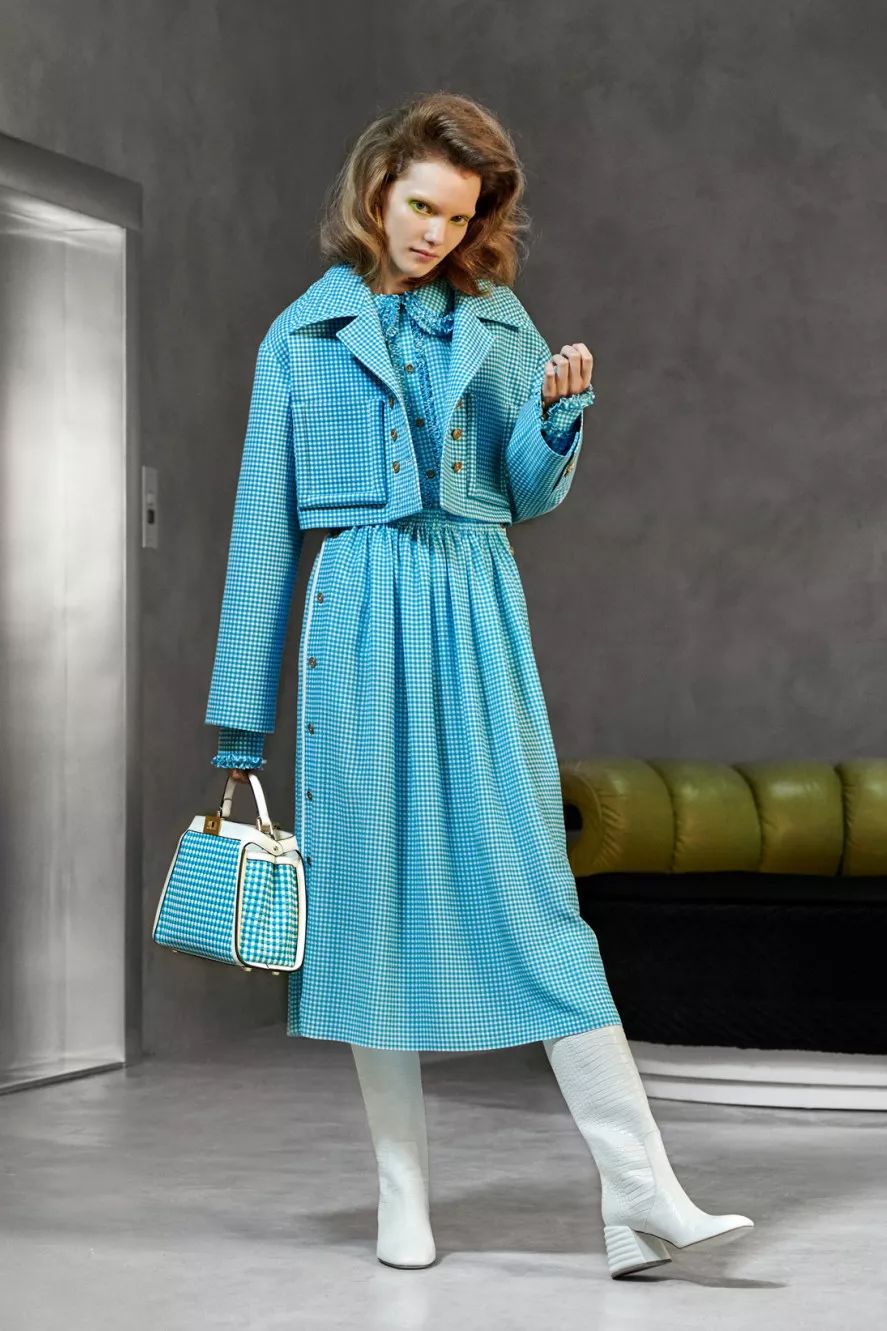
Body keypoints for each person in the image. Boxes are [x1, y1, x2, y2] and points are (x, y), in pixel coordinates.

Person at [203, 91, 754, 1278]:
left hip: (473, 601)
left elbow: (522, 491)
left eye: (457, 218)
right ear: (375, 189)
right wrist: (239, 724)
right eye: (419, 207)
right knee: (369, 900)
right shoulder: (299, 336)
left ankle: (639, 1189)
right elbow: (261, 531)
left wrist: (555, 424)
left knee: (531, 888)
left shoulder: (500, 323)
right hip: (355, 619)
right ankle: (401, 1192)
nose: (434, 234)